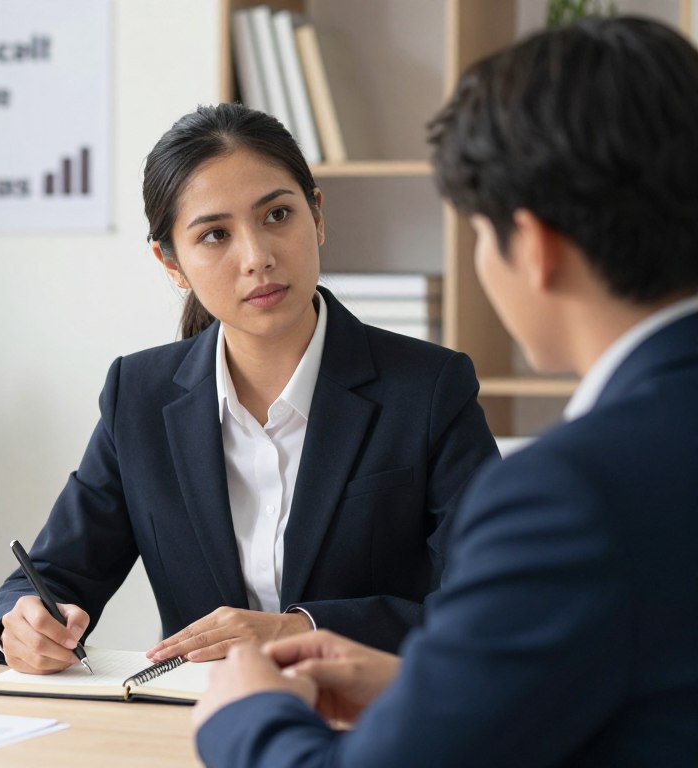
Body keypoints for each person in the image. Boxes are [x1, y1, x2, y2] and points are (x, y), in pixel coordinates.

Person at [192, 16, 698, 767]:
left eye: (479, 235)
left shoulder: (567, 494)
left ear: (533, 247)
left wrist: (246, 718)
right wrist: (426, 692)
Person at [0, 102, 499, 674]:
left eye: (277, 215)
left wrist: (300, 629)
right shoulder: (140, 395)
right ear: (170, 263)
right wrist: (22, 626)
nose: (257, 257)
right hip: (201, 727)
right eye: (215, 235)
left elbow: (490, 600)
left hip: (376, 722)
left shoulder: (428, 389)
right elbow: (52, 574)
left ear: (317, 215)